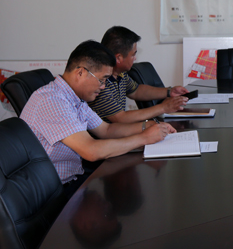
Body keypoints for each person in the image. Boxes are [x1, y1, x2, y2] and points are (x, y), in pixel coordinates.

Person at [20, 40, 175, 195]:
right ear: (80, 73)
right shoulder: (52, 100)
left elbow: (106, 130)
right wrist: (144, 138)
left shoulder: (75, 98)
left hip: (73, 177)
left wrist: (145, 127)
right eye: (101, 79)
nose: (103, 86)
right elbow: (91, 150)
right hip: (53, 192)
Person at [88, 26, 188, 123]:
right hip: (110, 133)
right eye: (133, 54)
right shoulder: (101, 83)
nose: (135, 58)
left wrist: (169, 91)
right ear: (118, 58)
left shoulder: (121, 74)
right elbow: (121, 118)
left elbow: (136, 91)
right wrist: (163, 107)